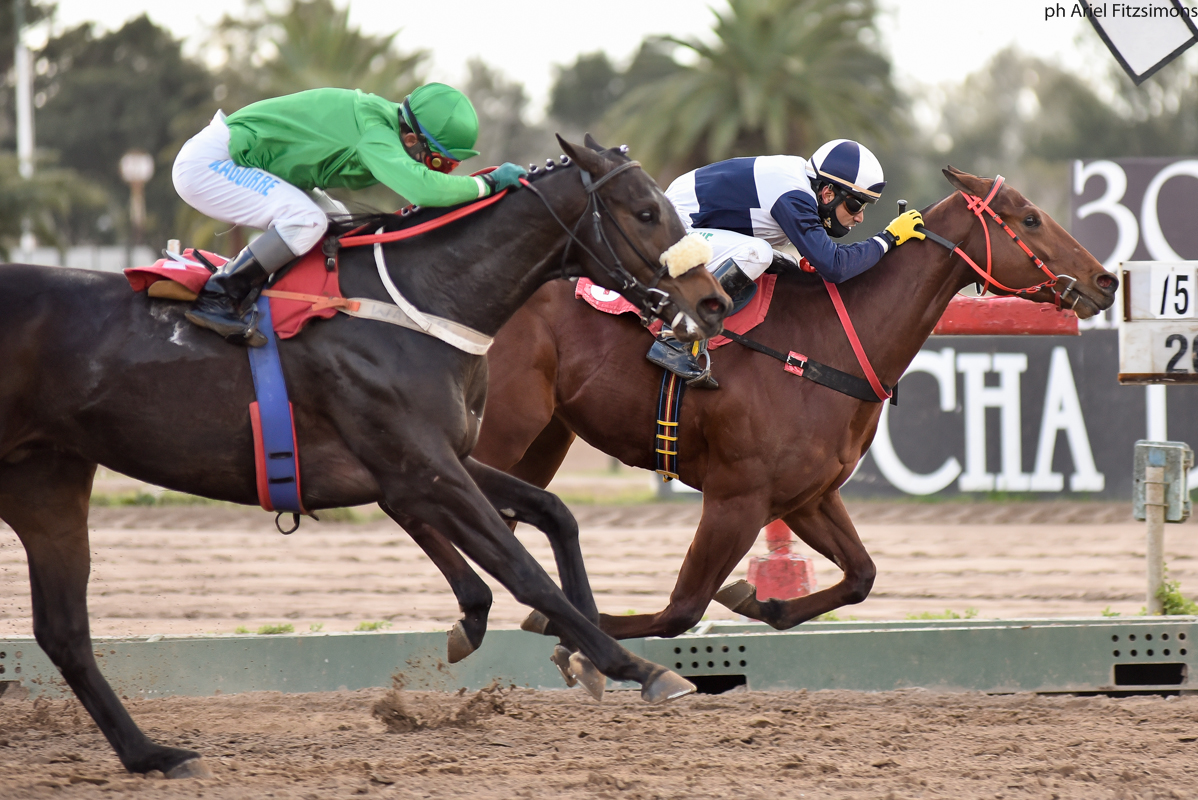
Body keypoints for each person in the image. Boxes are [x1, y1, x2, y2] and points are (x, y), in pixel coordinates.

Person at [171, 83, 527, 346]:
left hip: (246, 163)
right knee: (306, 221)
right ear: (411, 140)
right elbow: (424, 190)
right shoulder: (374, 133)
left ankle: (282, 302)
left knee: (338, 224)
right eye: (440, 163)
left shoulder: (385, 124)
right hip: (212, 163)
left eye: (450, 167)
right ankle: (219, 296)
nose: (442, 172)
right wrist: (487, 184)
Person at [651, 139, 925, 388]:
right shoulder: (794, 195)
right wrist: (887, 238)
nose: (860, 217)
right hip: (670, 232)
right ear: (828, 193)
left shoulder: (802, 186)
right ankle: (674, 340)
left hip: (687, 226)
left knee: (786, 263)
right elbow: (835, 266)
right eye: (855, 205)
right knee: (758, 254)